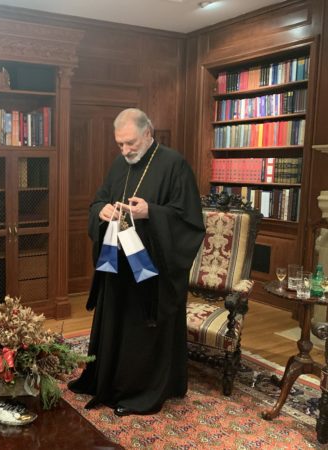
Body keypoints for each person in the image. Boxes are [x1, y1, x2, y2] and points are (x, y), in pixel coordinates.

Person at [68, 108, 206, 416]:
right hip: (117, 263)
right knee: (115, 323)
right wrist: (101, 210)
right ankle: (107, 381)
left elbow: (190, 222)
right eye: (119, 144)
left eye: (130, 143)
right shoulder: (120, 164)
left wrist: (150, 212)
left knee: (140, 333)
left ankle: (140, 391)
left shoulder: (174, 164)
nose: (125, 150)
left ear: (148, 134)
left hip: (152, 271)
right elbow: (98, 199)